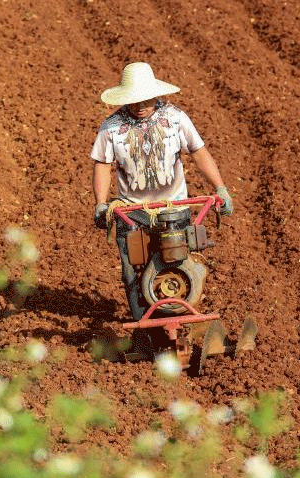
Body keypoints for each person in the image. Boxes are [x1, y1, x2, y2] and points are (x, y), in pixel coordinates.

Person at [90, 62, 233, 321]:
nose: (141, 105)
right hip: (131, 214)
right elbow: (102, 164)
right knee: (134, 274)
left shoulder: (175, 117)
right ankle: (145, 331)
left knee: (182, 267)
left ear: (155, 94)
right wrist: (101, 204)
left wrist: (220, 188)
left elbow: (199, 152)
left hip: (174, 209)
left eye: (146, 99)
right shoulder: (111, 127)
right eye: (134, 100)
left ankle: (185, 320)